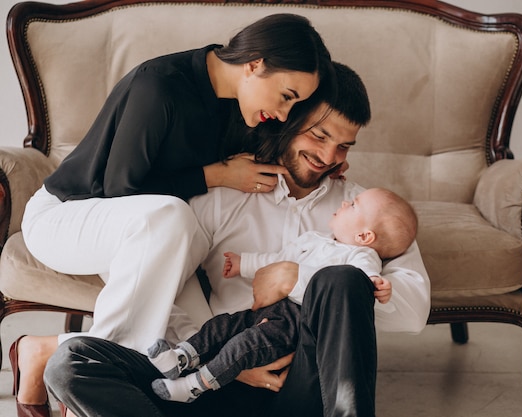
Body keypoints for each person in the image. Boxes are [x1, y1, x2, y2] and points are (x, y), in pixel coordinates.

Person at [43, 62, 431, 417]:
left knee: (342, 279)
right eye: (320, 136)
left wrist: (298, 279)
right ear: (287, 119)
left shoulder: (365, 210)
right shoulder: (228, 192)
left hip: (303, 384)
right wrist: (229, 361)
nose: (329, 156)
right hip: (211, 379)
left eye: (344, 146)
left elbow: (413, 311)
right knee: (72, 362)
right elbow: (163, 284)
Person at [10, 13, 333, 417]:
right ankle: (85, 377)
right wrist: (215, 175)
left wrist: (321, 164)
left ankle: (45, 352)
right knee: (173, 217)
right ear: (255, 65)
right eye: (286, 96)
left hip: (160, 235)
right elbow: (118, 191)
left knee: (203, 341)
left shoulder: (241, 110)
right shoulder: (159, 85)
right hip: (68, 217)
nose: (285, 113)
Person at [147, 187, 418, 403]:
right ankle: (182, 356)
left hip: (293, 321)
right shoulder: (314, 239)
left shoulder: (360, 255)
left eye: (354, 205)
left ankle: (194, 385)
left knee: (245, 345)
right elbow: (277, 259)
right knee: (222, 326)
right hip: (264, 312)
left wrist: (374, 284)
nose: (346, 203)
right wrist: (246, 263)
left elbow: (357, 283)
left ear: (365, 235)